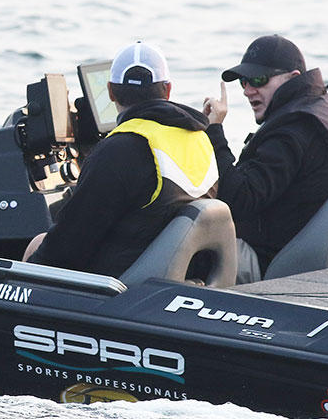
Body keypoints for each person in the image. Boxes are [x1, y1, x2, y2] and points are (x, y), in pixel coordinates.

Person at [25, 41, 219, 277]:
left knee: (38, 244)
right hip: (186, 275)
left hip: (124, 283)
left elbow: (68, 245)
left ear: (110, 91)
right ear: (168, 90)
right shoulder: (201, 138)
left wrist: (25, 271)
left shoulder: (119, 150)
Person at [202, 35, 328, 283]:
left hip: (276, 264)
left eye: (259, 80)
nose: (248, 90)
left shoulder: (293, 131)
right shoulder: (326, 108)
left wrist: (214, 132)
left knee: (183, 232)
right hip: (323, 250)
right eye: (244, 82)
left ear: (293, 77)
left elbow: (236, 199)